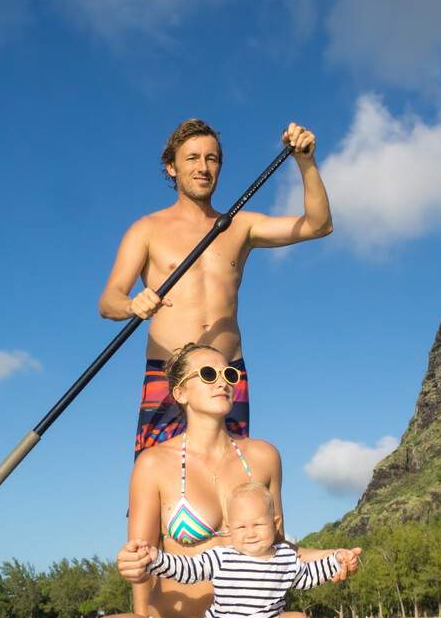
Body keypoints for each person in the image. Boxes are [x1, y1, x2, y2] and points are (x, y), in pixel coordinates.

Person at [83, 344, 379, 618]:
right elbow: (141, 558)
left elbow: (279, 548)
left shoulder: (265, 457)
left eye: (229, 374)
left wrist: (333, 557)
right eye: (208, 375)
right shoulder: (153, 464)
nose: (223, 382)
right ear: (180, 393)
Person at [99, 118, 334, 453]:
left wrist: (305, 161)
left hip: (227, 373)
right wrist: (131, 305)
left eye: (211, 158)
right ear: (171, 167)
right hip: (169, 373)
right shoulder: (146, 229)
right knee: (157, 481)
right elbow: (108, 301)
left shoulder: (241, 226)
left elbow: (318, 225)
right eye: (192, 158)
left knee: (231, 481)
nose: (203, 167)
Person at [120, 481, 360, 618]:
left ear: (275, 525)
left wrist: (337, 561)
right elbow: (187, 569)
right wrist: (155, 559)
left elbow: (309, 576)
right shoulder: (222, 557)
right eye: (241, 527)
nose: (250, 533)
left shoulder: (286, 558)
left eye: (258, 524)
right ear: (229, 529)